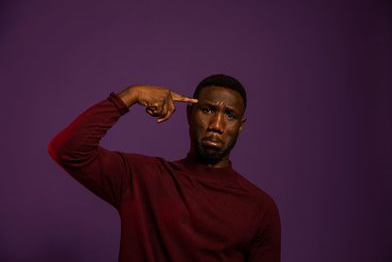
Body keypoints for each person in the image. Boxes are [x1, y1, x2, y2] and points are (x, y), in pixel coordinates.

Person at [48, 74, 281, 262]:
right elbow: (67, 149)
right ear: (190, 114)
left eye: (229, 115)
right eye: (208, 110)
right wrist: (131, 95)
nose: (217, 125)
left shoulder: (260, 208)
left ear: (240, 127)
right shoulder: (141, 178)